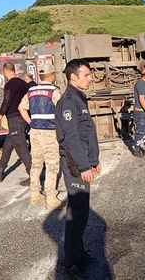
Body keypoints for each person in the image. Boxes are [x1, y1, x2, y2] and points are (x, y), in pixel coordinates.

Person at [55, 58, 102, 278]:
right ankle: (71, 262)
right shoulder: (68, 101)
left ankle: (78, 252)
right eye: (86, 74)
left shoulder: (78, 99)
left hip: (82, 162)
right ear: (73, 77)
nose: (90, 78)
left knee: (81, 211)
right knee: (77, 212)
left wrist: (94, 160)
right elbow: (71, 138)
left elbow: (86, 134)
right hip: (75, 164)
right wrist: (84, 165)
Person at [18, 63, 63, 210]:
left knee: (36, 164)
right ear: (50, 76)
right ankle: (51, 198)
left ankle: (35, 195)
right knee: (52, 165)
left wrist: (31, 122)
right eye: (54, 74)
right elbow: (62, 111)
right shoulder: (54, 91)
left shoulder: (31, 90)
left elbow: (21, 107)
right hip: (50, 132)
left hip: (35, 132)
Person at [0, 62, 32, 185]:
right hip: (23, 118)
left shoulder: (10, 85)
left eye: (3, 73)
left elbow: (6, 102)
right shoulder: (24, 84)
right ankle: (0, 172)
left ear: (6, 71)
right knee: (7, 146)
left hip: (15, 119)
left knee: (21, 148)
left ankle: (34, 176)